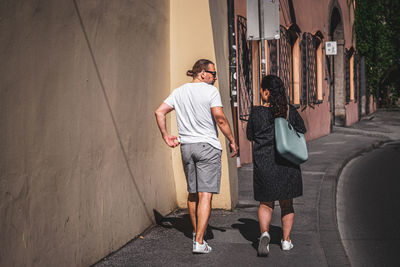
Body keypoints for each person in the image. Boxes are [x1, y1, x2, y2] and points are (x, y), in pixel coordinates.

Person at [155, 59, 238, 254]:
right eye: (213, 73)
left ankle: (196, 233)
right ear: (202, 73)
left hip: (187, 147)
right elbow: (219, 117)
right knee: (205, 195)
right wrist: (232, 139)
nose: (215, 77)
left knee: (192, 193)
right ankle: (200, 241)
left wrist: (166, 136)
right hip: (207, 146)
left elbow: (159, 112)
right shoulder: (210, 91)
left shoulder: (179, 91)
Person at [246, 75, 306, 256]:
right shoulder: (289, 111)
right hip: (287, 161)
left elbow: (250, 135)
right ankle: (286, 241)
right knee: (287, 204)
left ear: (266, 92)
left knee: (266, 203)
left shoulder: (256, 112)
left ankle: (265, 233)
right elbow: (302, 129)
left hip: (264, 163)